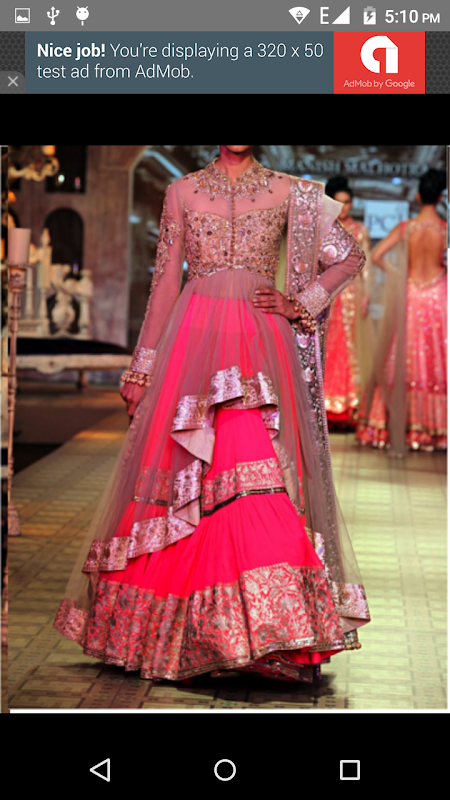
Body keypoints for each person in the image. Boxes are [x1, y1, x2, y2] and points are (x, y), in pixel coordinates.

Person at [54, 146, 370, 683]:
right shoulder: (181, 191)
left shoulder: (290, 191)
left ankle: (273, 631)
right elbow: (164, 285)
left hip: (257, 351)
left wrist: (301, 302)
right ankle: (186, 634)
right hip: (191, 349)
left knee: (255, 483)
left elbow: (349, 256)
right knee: (185, 485)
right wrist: (142, 369)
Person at [356, 168, 447, 454]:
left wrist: (399, 275)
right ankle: (435, 428)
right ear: (441, 197)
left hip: (410, 295)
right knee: (437, 359)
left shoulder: (407, 227)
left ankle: (398, 424)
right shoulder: (444, 228)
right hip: (438, 295)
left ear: (418, 196)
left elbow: (377, 255)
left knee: (402, 357)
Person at [323, 176, 373, 429]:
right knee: (327, 349)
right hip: (327, 295)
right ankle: (325, 406)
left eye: (348, 202)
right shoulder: (323, 228)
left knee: (349, 349)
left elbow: (366, 266)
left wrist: (366, 295)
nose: (344, 207)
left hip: (351, 297)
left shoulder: (360, 230)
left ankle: (349, 408)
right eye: (339, 202)